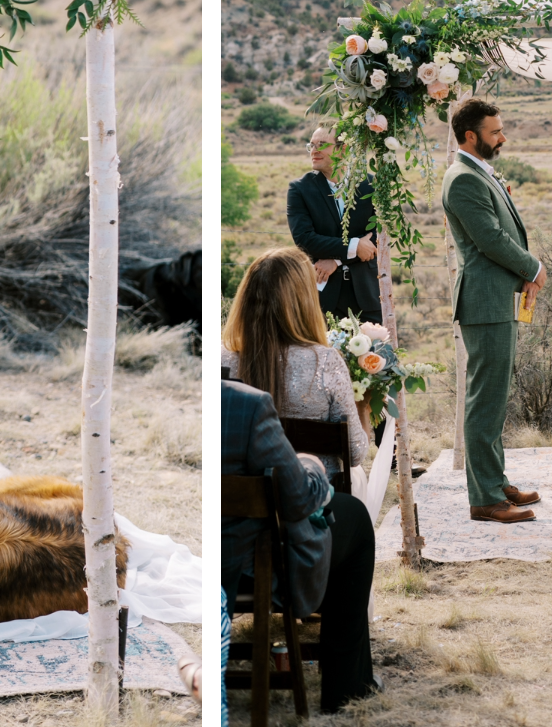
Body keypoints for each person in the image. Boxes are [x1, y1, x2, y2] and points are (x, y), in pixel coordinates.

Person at [222, 378, 377, 713]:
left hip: (220, 570)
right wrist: (311, 465)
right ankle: (347, 688)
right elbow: (300, 498)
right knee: (354, 520)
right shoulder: (245, 404)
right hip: (258, 568)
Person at [441, 98, 544, 524]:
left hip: (497, 298)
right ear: (470, 136)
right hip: (485, 300)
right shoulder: (462, 179)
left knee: (495, 398)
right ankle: (483, 497)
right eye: (495, 132)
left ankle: (495, 480)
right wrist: (533, 267)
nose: (503, 137)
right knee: (484, 400)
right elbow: (491, 238)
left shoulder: (478, 171)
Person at [221, 247, 373, 492]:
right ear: (304, 299)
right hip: (312, 499)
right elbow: (355, 454)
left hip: (240, 499)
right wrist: (363, 407)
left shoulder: (222, 358)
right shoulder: (325, 362)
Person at [287, 125, 382, 325]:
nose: (314, 150)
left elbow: (379, 236)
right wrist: (355, 247)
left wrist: (337, 261)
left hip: (367, 295)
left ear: (343, 149)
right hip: (324, 298)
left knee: (376, 354)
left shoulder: (370, 185)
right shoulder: (299, 190)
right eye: (311, 145)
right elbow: (305, 240)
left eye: (322, 145)